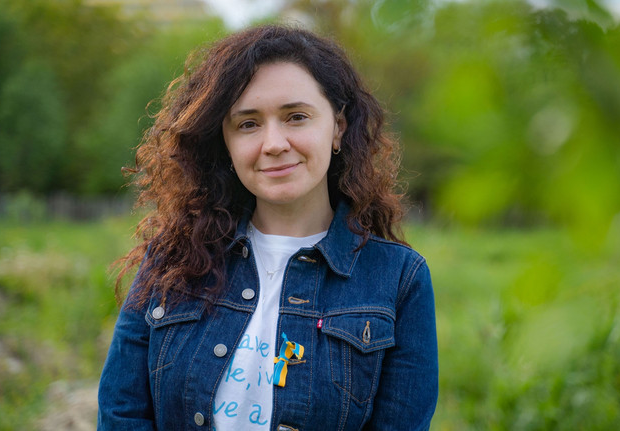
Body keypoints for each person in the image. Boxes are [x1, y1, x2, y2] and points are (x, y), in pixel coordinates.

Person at [97, 24, 438, 430]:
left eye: (296, 117)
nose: (274, 143)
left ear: (338, 127)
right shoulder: (171, 259)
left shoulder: (399, 280)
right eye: (248, 124)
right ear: (225, 141)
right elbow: (121, 415)